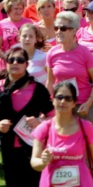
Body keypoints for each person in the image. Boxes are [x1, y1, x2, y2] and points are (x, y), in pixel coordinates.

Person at [31, 81, 93, 187]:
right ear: (53, 100)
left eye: (68, 98)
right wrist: (42, 162)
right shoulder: (43, 129)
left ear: (74, 103)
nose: (63, 101)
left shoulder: (86, 127)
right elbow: (34, 162)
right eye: (59, 97)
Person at [0, 46, 54, 185]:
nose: (15, 63)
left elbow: (54, 117)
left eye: (20, 60)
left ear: (27, 64)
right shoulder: (0, 88)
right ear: (6, 63)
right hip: (8, 148)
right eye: (11, 60)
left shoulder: (38, 89)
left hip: (33, 148)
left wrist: (40, 121)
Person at [46, 11, 93, 127]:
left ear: (74, 31)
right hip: (62, 105)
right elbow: (50, 82)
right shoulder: (52, 53)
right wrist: (52, 102)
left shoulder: (85, 52)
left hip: (83, 106)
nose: (58, 32)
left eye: (63, 28)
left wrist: (88, 103)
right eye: (56, 28)